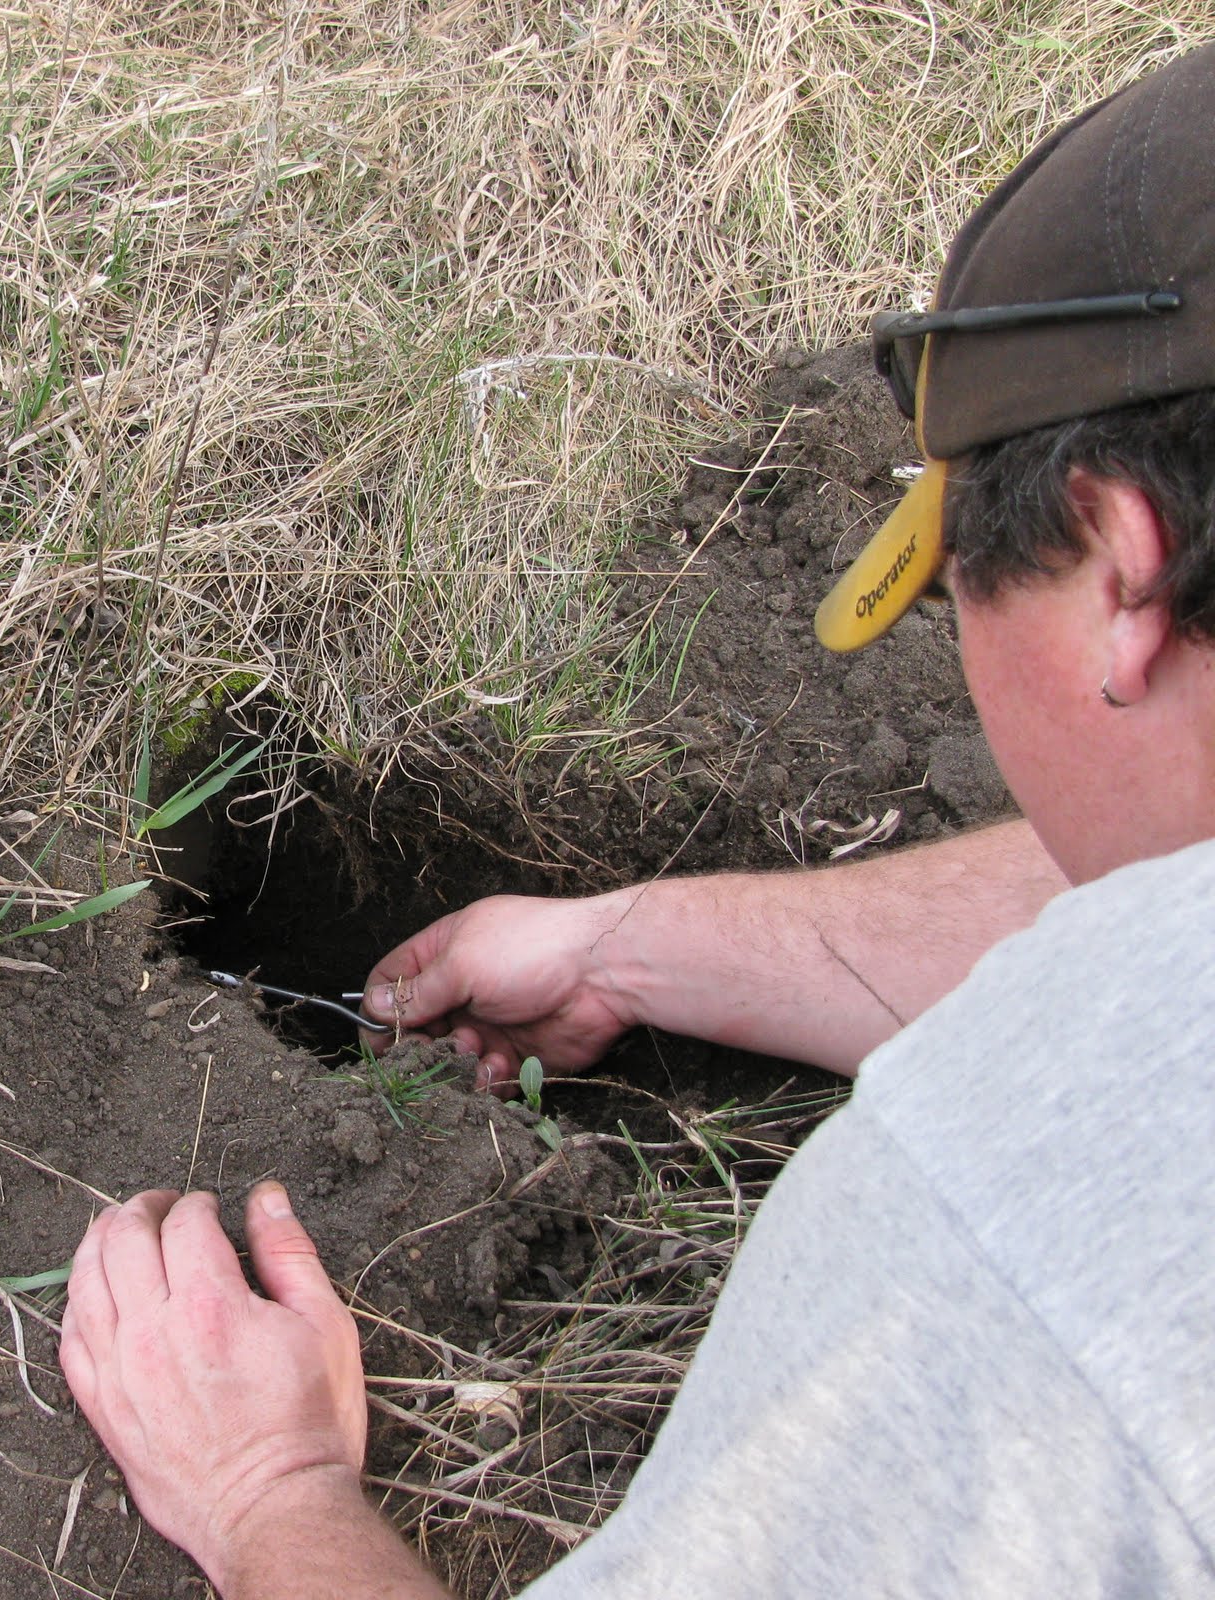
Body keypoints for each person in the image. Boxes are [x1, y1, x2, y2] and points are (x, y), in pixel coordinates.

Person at [60, 42, 1215, 1597]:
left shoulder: (1032, 1269)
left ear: (1122, 566)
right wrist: (632, 947)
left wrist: (266, 1492)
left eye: (960, 584)